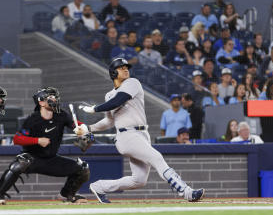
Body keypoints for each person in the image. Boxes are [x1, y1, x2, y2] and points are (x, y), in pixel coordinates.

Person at [80, 58, 204, 203]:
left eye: (126, 67)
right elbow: (109, 121)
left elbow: (118, 100)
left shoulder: (132, 83)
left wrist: (95, 108)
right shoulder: (108, 96)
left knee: (139, 180)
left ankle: (100, 187)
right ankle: (187, 192)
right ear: (113, 72)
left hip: (142, 134)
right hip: (127, 136)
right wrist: (88, 128)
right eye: (121, 68)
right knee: (157, 158)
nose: (126, 69)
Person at [0, 87, 91, 205]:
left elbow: (78, 126)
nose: (55, 99)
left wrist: (84, 132)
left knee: (82, 167)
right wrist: (37, 140)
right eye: (51, 97)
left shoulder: (62, 115)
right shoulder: (33, 119)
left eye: (55, 97)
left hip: (52, 159)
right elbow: (17, 139)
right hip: (33, 159)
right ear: (41, 102)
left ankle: (67, 194)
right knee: (20, 162)